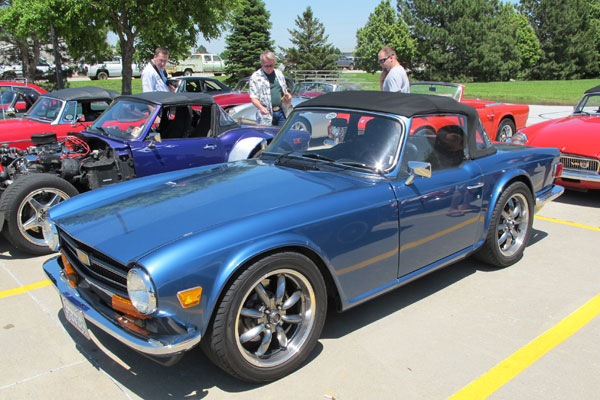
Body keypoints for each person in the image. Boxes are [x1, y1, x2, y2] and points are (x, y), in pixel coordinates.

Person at [249, 51, 292, 126]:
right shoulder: (255, 77)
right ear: (262, 64)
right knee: (268, 137)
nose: (269, 68)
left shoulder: (279, 74)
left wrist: (288, 96)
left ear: (274, 63)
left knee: (282, 136)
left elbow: (284, 91)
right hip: (266, 115)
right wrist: (261, 108)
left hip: (281, 112)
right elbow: (253, 97)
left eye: (271, 65)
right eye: (266, 66)